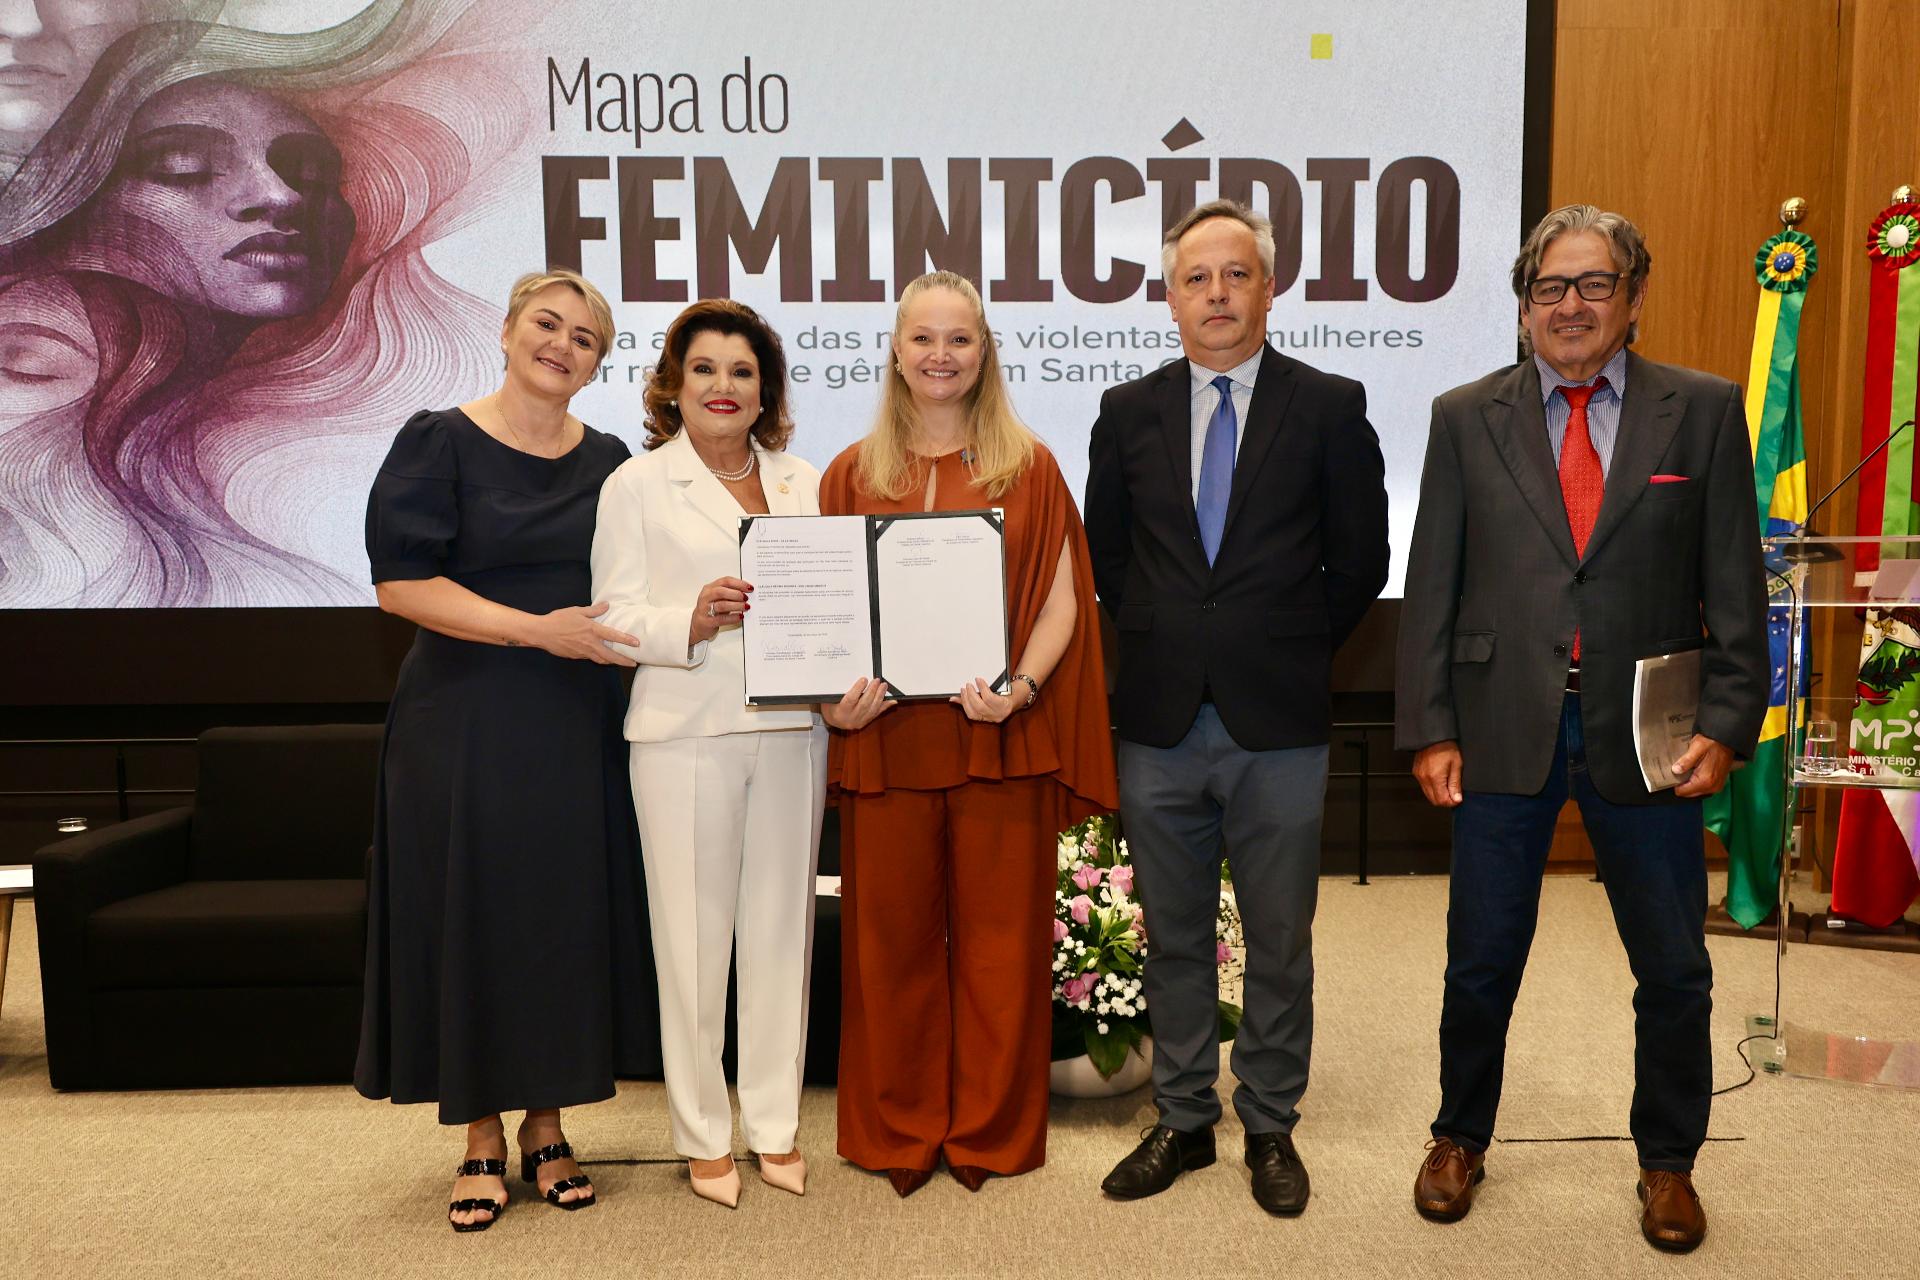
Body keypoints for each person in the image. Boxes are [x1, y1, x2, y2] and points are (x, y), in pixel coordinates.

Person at [1395, 204, 1768, 1252]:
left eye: (1594, 284)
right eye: (1550, 287)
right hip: (1499, 722)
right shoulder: (1464, 415)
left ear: (1633, 299)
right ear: (1525, 306)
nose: (1570, 305)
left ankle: (1669, 1161)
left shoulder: (1702, 411)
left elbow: (1734, 582)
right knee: (1480, 959)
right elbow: (1433, 584)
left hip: (1652, 734)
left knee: (1674, 966)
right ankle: (1459, 1136)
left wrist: (1729, 721)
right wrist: (1430, 726)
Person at [1085, 199, 1388, 1216]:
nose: (1216, 294)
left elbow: (1361, 560)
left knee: (1279, 935)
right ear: (1170, 298)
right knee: (1173, 933)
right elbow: (1109, 557)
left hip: (1280, 720)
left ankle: (1268, 1121)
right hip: (1161, 717)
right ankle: (1182, 1116)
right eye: (1196, 278)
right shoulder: (1126, 412)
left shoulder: (1330, 405)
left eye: (1235, 274)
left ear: (1269, 287)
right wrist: (1177, 635)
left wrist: (1283, 645)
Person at [355, 268, 659, 1233]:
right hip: (462, 721)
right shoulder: (436, 440)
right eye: (547, 324)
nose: (561, 345)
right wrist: (537, 631)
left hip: (574, 721)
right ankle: (481, 1136)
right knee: (469, 917)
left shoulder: (611, 460)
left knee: (560, 920)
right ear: (507, 329)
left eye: (584, 338)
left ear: (598, 363)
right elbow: (402, 585)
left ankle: (548, 1128)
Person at [822, 270, 1117, 1197]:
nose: (940, 355)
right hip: (887, 743)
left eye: (959, 338)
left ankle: (990, 1129)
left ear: (984, 352)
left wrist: (1021, 689)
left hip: (998, 738)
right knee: (889, 948)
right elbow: (825, 611)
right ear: (896, 349)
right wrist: (832, 701)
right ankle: (900, 1127)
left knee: (1000, 948)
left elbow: (1065, 601)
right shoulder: (850, 473)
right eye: (923, 337)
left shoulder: (1031, 466)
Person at [590, 299, 826, 1209]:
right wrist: (688, 620)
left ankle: (774, 1124)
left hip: (793, 731)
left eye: (742, 371)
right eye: (704, 369)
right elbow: (612, 619)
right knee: (691, 945)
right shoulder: (636, 485)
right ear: (673, 386)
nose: (723, 386)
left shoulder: (804, 482)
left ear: (765, 391)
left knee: (780, 937)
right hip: (683, 734)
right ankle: (701, 1134)